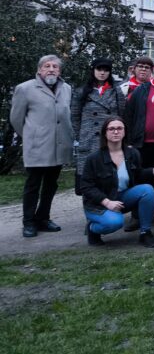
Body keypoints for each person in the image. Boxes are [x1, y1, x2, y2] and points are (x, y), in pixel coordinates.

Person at [11, 54, 73, 238]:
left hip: (60, 146)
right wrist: (31, 135)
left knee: (51, 184)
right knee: (33, 185)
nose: (51, 69)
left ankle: (43, 218)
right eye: (47, 66)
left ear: (60, 71)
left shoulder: (66, 88)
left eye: (55, 66)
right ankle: (28, 222)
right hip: (37, 146)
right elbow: (16, 119)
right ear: (39, 70)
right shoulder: (25, 88)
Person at [80, 117, 154, 247]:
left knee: (147, 189)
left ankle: (145, 233)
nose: (116, 132)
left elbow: (138, 174)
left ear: (124, 132)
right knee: (115, 223)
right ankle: (93, 229)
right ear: (105, 133)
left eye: (119, 128)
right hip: (97, 205)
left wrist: (153, 170)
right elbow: (86, 187)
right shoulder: (93, 158)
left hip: (121, 198)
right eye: (111, 129)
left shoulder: (132, 153)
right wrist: (107, 202)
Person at [71, 57, 126, 192]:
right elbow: (74, 116)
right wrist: (81, 135)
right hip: (88, 140)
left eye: (106, 70)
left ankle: (109, 204)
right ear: (93, 71)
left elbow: (122, 115)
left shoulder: (116, 91)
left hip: (110, 139)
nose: (102, 73)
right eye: (99, 69)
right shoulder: (81, 91)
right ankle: (91, 207)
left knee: (109, 176)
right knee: (88, 177)